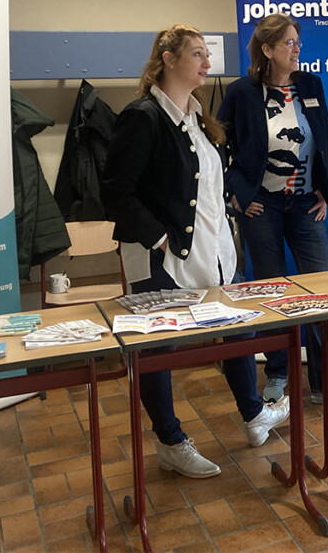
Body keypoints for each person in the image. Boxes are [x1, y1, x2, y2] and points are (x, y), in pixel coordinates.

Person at [101, 25, 290, 479]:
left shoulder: (198, 117)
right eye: (197, 54)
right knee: (157, 347)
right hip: (160, 256)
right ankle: (170, 441)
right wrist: (161, 240)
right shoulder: (143, 116)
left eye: (207, 54)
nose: (207, 62)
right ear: (168, 59)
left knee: (237, 328)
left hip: (214, 249)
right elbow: (115, 193)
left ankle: (253, 414)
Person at [218, 13, 328, 411]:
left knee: (323, 293)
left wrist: (326, 191)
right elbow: (219, 147)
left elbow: (326, 140)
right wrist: (235, 194)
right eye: (288, 43)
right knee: (273, 294)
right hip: (260, 207)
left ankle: (326, 383)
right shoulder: (241, 92)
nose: (297, 49)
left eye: (298, 42)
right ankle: (278, 374)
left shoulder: (310, 85)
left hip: (304, 205)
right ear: (267, 50)